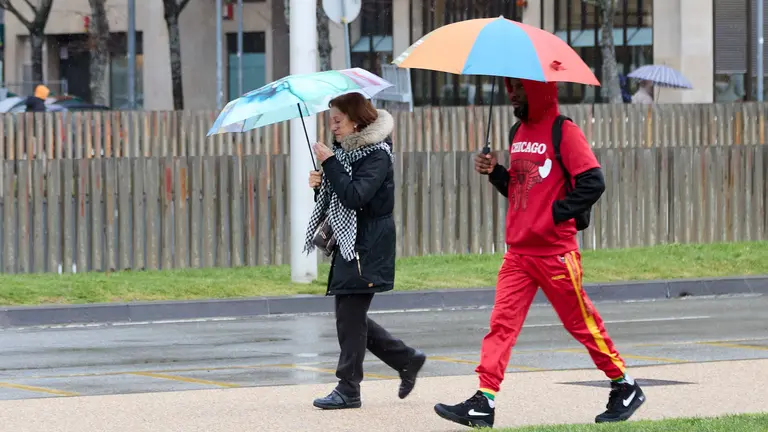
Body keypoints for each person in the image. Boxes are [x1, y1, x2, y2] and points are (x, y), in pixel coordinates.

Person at [433, 78, 646, 428]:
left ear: (539, 89)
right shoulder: (517, 130)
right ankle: (483, 402)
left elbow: (594, 181)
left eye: (519, 87)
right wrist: (496, 173)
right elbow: (521, 190)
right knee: (501, 326)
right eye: (509, 88)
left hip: (555, 253)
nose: (513, 94)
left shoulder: (565, 131)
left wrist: (554, 215)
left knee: (580, 323)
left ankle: (625, 385)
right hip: (518, 252)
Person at [304, 92, 426, 410]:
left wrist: (329, 163)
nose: (332, 126)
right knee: (350, 317)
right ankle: (406, 359)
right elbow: (340, 194)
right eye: (330, 120)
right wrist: (321, 183)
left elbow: (356, 196)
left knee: (350, 317)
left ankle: (349, 389)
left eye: (337, 120)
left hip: (368, 245)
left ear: (356, 120)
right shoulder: (348, 153)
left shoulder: (377, 155)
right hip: (351, 243)